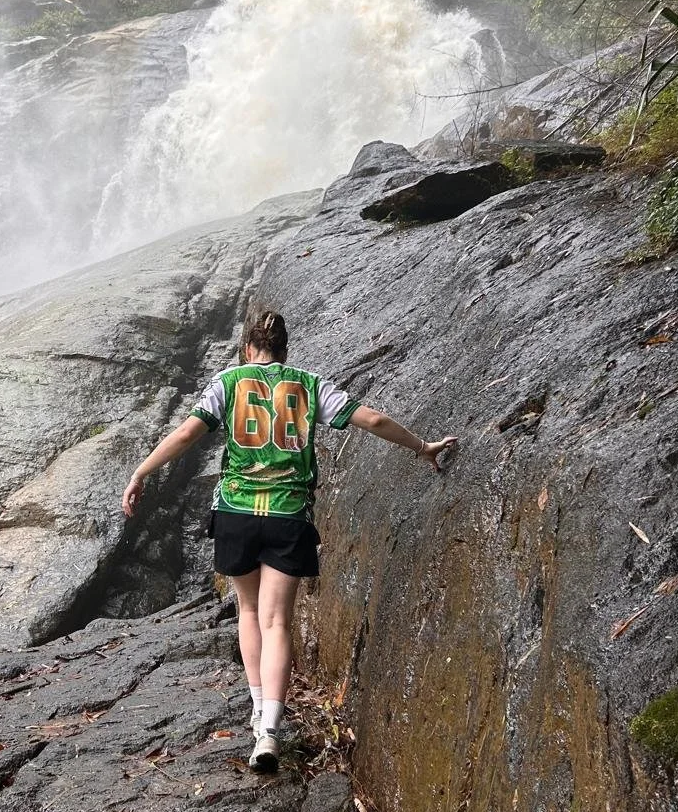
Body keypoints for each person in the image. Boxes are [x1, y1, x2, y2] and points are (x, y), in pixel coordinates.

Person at [121, 310, 456, 774]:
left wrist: (142, 471)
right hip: (287, 517)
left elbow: (184, 434)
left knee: (250, 613)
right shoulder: (309, 384)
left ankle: (257, 711)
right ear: (284, 350)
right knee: (278, 621)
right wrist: (423, 447)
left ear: (247, 349)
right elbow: (374, 419)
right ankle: (270, 733)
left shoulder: (228, 382)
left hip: (236, 514)